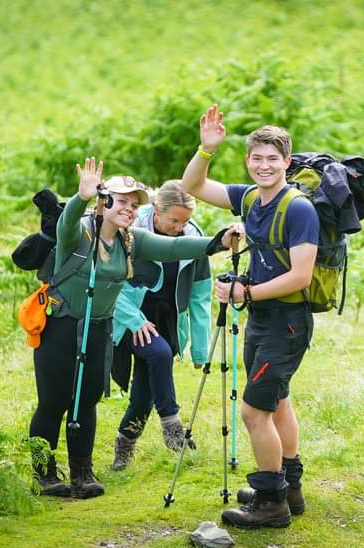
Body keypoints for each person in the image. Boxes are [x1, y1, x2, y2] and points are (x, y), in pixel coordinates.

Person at [31, 158, 239, 499]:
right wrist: (81, 198)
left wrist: (217, 242)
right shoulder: (79, 233)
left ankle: (83, 473)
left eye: (133, 203)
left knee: (86, 401)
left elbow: (174, 248)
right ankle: (44, 474)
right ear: (104, 202)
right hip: (60, 327)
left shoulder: (131, 240)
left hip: (99, 330)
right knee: (53, 402)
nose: (129, 208)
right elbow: (65, 224)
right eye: (122, 201)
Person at [180, 105, 317, 528]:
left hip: (287, 322)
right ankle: (287, 487)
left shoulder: (299, 210)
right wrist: (206, 149)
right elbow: (193, 186)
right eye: (256, 158)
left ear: (286, 163)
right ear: (248, 161)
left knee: (253, 413)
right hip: (261, 319)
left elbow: (301, 276)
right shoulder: (250, 197)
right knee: (277, 405)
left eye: (272, 159)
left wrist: (247, 291)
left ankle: (271, 502)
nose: (263, 165)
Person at [109, 181, 212, 471]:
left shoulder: (194, 238)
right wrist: (134, 320)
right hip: (128, 317)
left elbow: (199, 297)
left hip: (165, 320)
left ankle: (123, 448)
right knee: (160, 354)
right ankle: (173, 428)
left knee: (143, 396)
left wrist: (200, 350)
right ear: (155, 210)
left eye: (185, 221)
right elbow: (111, 283)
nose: (180, 227)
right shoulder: (129, 232)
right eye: (173, 220)